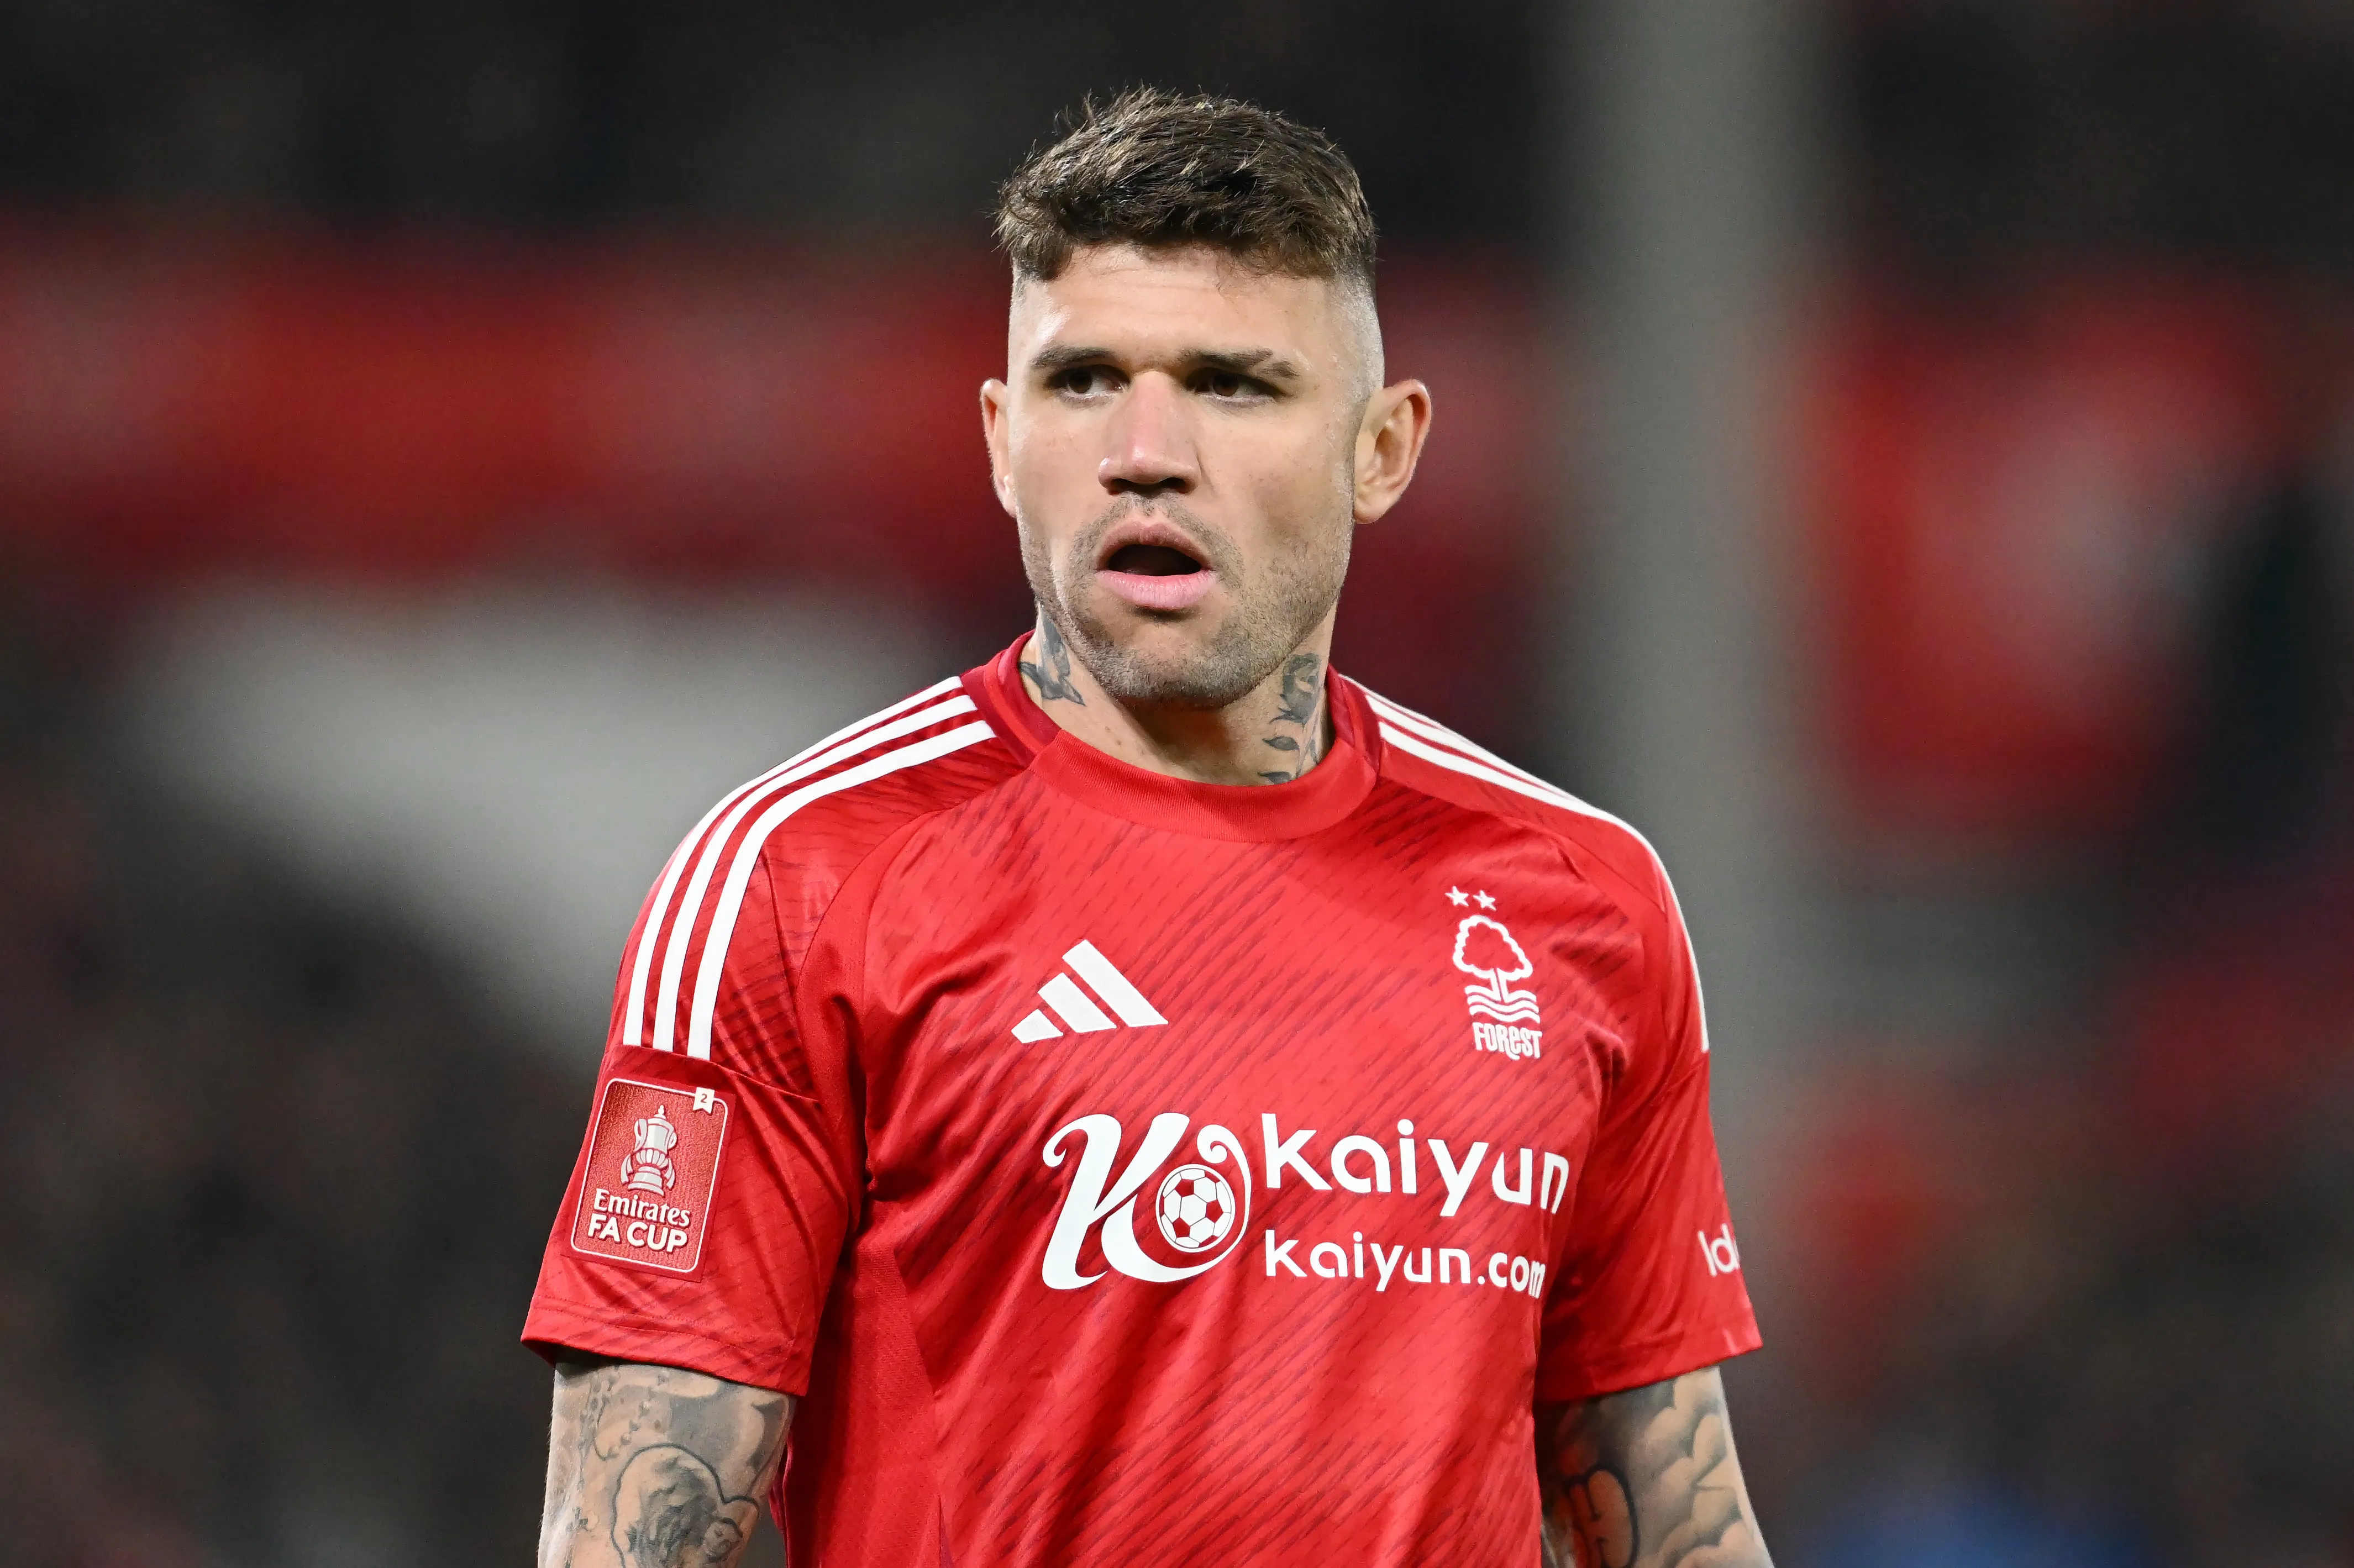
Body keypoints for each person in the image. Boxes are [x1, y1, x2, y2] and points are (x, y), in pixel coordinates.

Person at [526, 87, 1770, 1568]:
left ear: (1383, 448)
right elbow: (629, 1534)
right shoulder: (800, 877)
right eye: (1082, 381)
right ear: (1000, 438)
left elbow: (1670, 1506)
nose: (1145, 450)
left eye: (1233, 383)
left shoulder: (1581, 896)